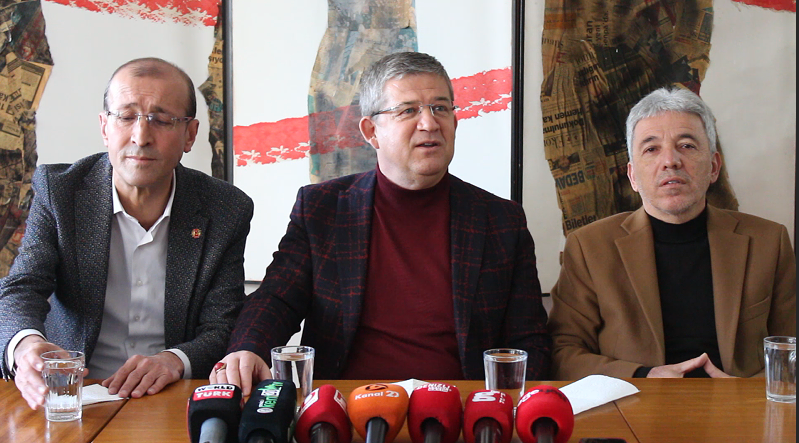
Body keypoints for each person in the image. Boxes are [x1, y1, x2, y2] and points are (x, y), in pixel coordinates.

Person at [210, 52, 550, 394]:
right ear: (371, 131)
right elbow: (277, 299)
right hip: (345, 407)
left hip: (461, 408)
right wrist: (248, 349)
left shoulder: (500, 220)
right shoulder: (323, 209)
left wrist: (505, 407)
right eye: (408, 110)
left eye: (440, 108)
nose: (430, 123)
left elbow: (530, 340)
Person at [0, 58, 254, 409]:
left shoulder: (225, 209)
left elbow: (222, 324)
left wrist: (174, 360)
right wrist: (25, 345)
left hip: (171, 396)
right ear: (105, 127)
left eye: (162, 120)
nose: (141, 137)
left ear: (190, 134)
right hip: (72, 396)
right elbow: (22, 287)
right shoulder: (60, 192)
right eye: (126, 117)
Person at [548, 87, 796, 379]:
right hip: (636, 401)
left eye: (687, 146)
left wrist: (742, 394)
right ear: (633, 176)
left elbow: (791, 349)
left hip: (739, 403)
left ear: (714, 167)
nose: (670, 161)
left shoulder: (768, 242)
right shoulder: (590, 247)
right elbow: (563, 352)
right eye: (651, 149)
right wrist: (644, 375)